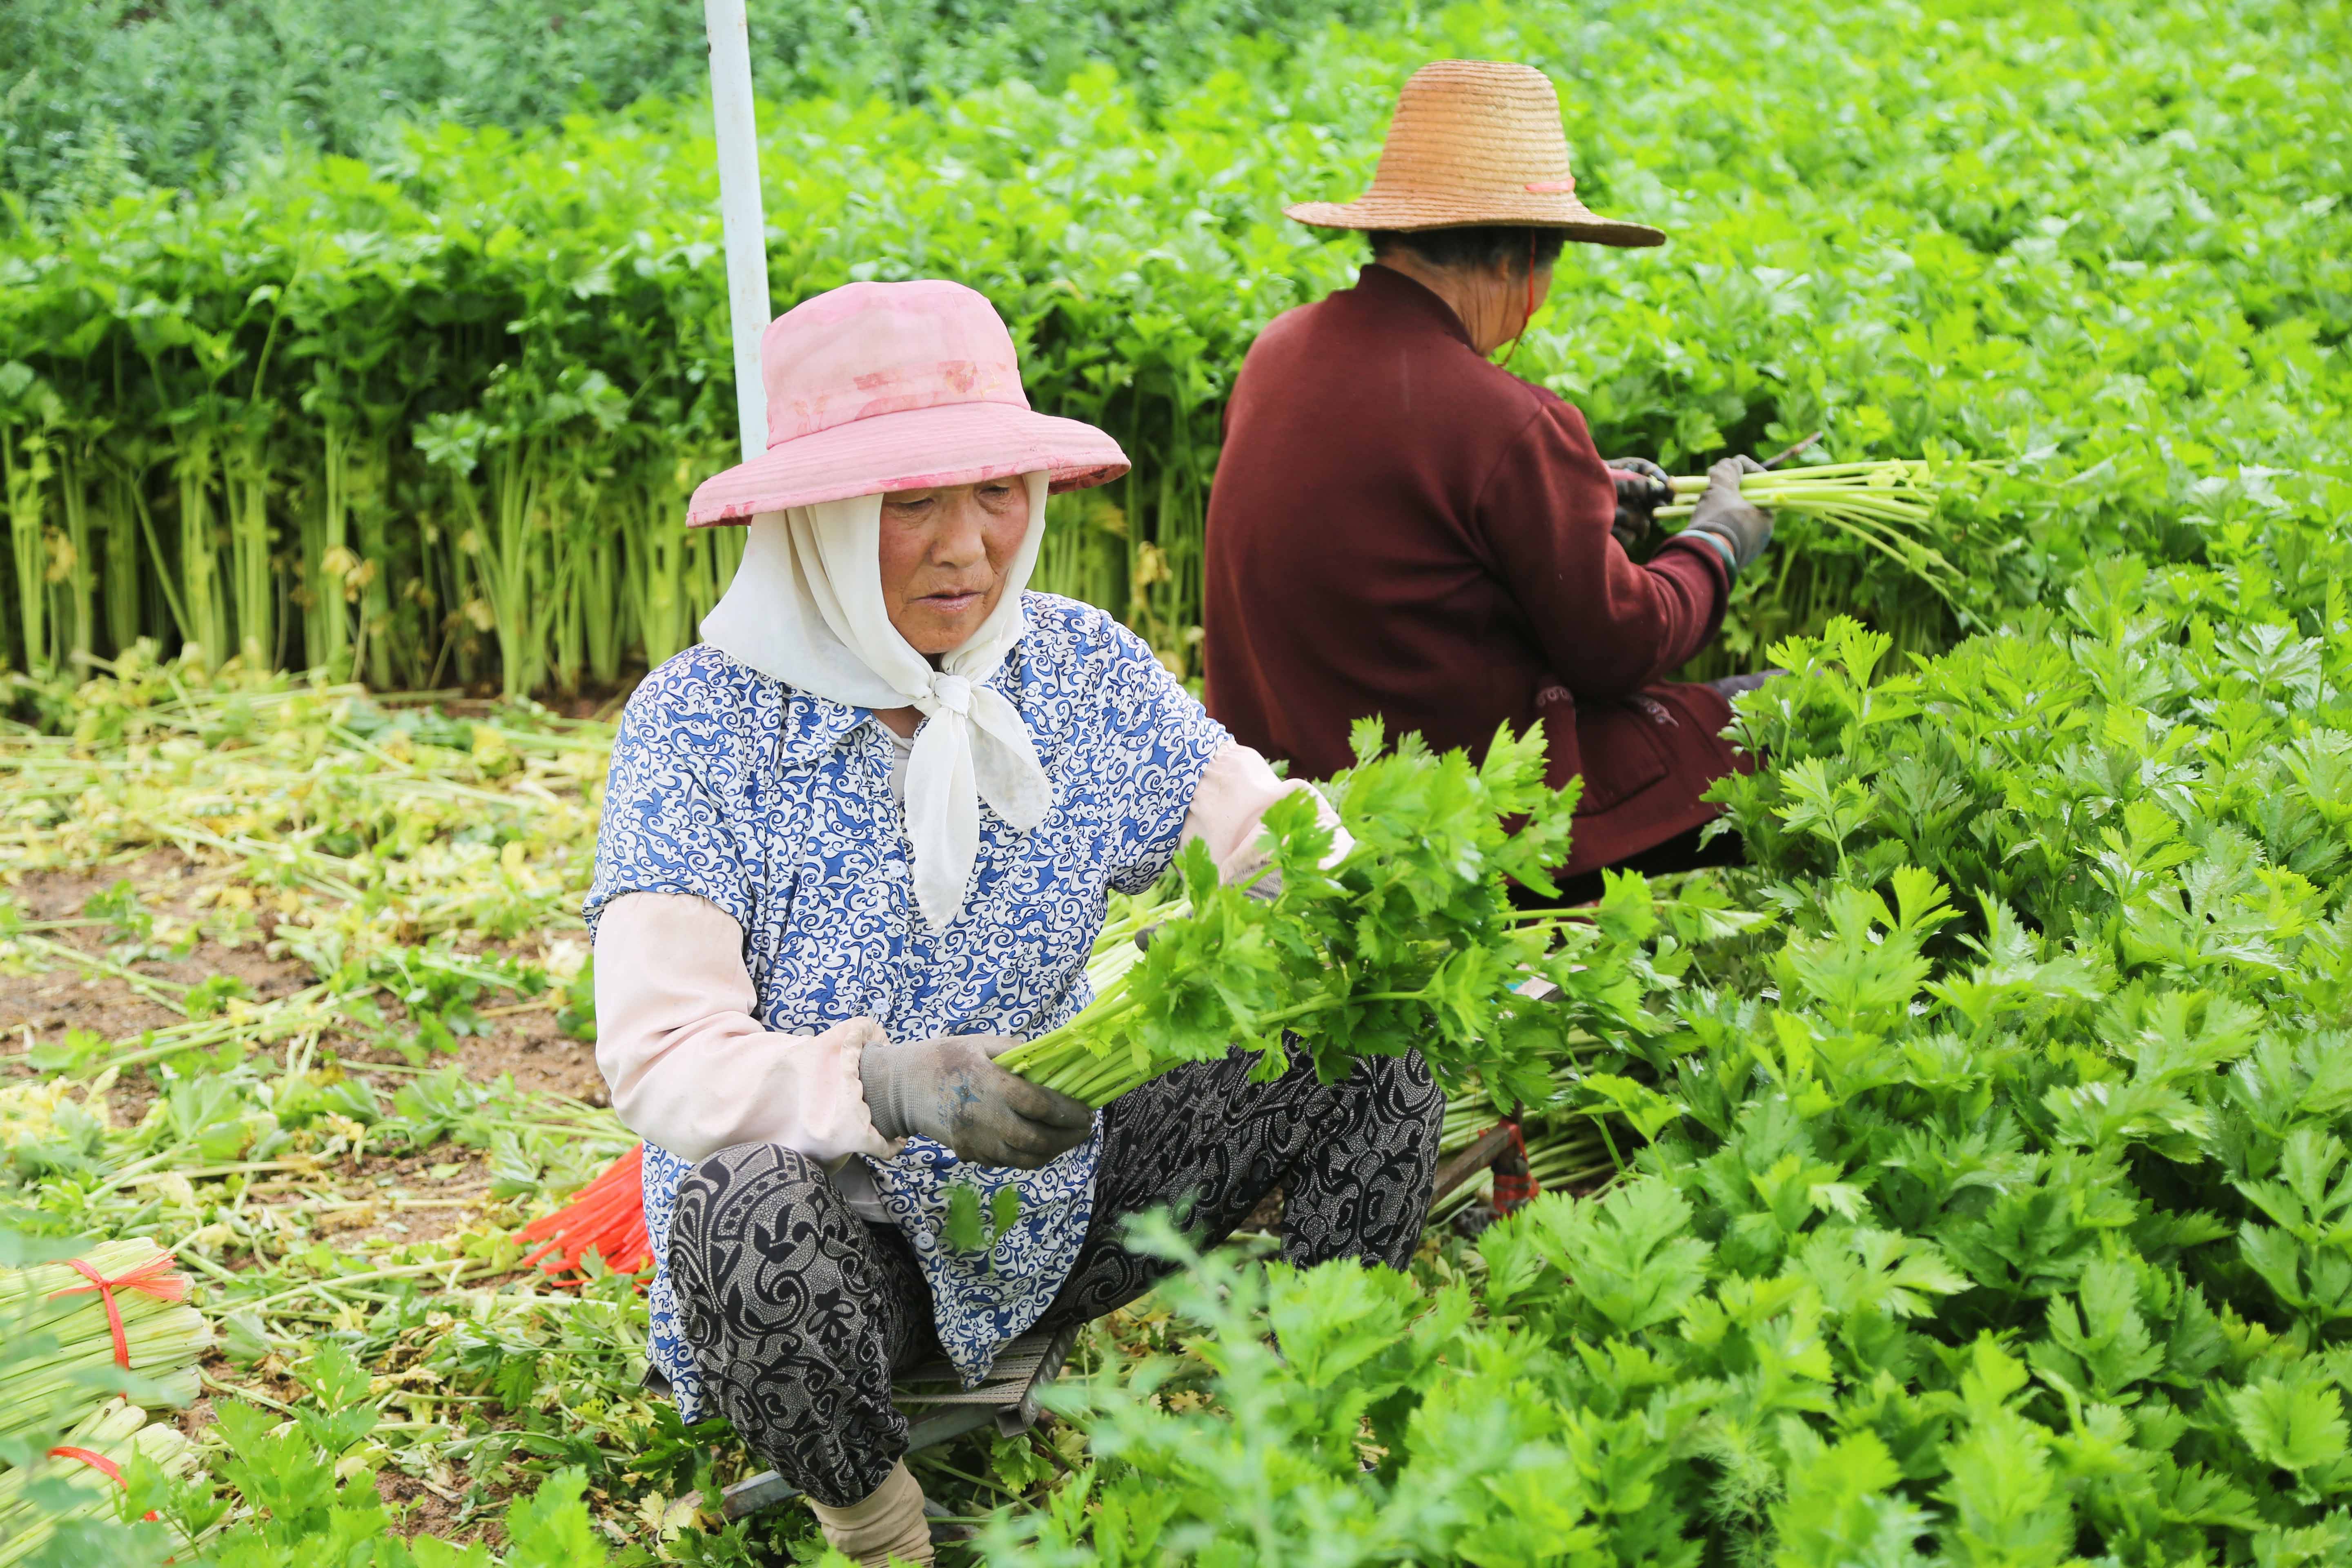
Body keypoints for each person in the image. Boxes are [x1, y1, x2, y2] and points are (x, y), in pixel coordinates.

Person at [586, 280, 1443, 1566]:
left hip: (1055, 1194)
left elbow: (1259, 837)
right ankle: (877, 1524)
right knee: (739, 1208)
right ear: (813, 519)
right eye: (910, 503)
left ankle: (1294, 1444)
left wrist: (1397, 887)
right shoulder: (703, 727)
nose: (968, 548)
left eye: (997, 494)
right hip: (842, 1269)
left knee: (1369, 1047)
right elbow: (658, 1058)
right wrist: (885, 1085)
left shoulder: (1079, 671)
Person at [1203, 60, 1776, 900]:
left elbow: (1410, 522)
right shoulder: (1507, 422)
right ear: (1519, 258)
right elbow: (1621, 650)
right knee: (1785, 714)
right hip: (1463, 832)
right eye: (1550, 267)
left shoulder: (1279, 353)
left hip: (1293, 809)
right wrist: (1718, 543)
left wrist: (1591, 495)